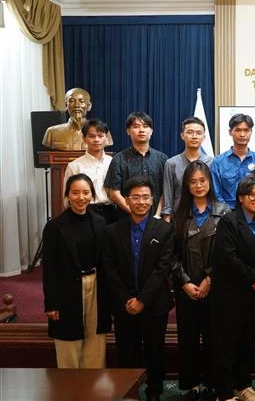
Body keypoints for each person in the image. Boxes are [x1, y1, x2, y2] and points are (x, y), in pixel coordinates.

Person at [103, 176, 175, 401]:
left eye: (146, 197)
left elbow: (162, 269)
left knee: (155, 349)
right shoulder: (113, 230)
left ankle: (155, 390)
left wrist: (142, 299)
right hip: (124, 303)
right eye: (136, 197)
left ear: (153, 199)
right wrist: (127, 298)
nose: (141, 202)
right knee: (127, 350)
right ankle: (130, 391)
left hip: (154, 303)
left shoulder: (164, 229)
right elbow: (109, 268)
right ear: (126, 200)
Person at [171, 161, 229, 400]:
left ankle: (213, 383)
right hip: (186, 287)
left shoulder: (223, 211)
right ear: (187, 184)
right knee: (189, 338)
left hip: (214, 286)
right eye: (193, 181)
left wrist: (210, 279)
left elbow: (227, 253)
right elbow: (171, 254)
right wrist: (184, 282)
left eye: (202, 181)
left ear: (210, 182)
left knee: (214, 337)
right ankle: (192, 384)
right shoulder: (179, 212)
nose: (198, 185)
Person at [42, 173, 111, 368]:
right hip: (67, 288)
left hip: (95, 284)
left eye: (86, 192)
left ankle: (94, 391)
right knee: (68, 342)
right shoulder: (54, 227)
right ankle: (69, 390)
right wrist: (51, 303)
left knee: (95, 338)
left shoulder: (99, 222)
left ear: (92, 195)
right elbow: (49, 268)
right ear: (67, 195)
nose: (81, 197)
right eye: (75, 192)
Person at [210, 177, 255, 401]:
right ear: (241, 198)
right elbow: (227, 257)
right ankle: (224, 392)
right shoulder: (229, 221)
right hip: (229, 294)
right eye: (252, 195)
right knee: (226, 344)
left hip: (252, 295)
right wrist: (254, 276)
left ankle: (243, 385)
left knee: (246, 341)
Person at [104, 112, 168, 219]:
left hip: (156, 219)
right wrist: (135, 212)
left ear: (151, 131)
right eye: (136, 126)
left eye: (145, 126)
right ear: (128, 131)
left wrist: (157, 215)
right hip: (126, 219)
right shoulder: (119, 159)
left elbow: (166, 192)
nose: (141, 130)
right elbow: (114, 193)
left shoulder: (163, 159)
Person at [63, 118, 116, 223]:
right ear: (84, 138)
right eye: (91, 136)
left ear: (106, 138)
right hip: (84, 211)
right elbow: (67, 197)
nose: (96, 140)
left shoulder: (114, 162)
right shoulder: (74, 166)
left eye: (100, 136)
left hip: (110, 211)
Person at [162, 117, 213, 223]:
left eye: (198, 133)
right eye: (190, 132)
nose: (194, 136)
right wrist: (167, 221)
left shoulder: (212, 163)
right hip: (179, 219)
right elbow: (168, 195)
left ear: (204, 137)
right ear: (182, 136)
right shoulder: (171, 163)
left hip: (206, 219)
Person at [211, 113, 255, 209]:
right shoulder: (218, 162)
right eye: (237, 130)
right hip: (226, 215)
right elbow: (216, 194)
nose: (242, 134)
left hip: (254, 214)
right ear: (230, 132)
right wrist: (228, 213)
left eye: (246, 130)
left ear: (251, 132)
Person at [42, 87, 113, 151]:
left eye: (81, 101)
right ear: (66, 105)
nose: (76, 105)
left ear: (88, 106)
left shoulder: (102, 132)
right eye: (72, 101)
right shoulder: (52, 132)